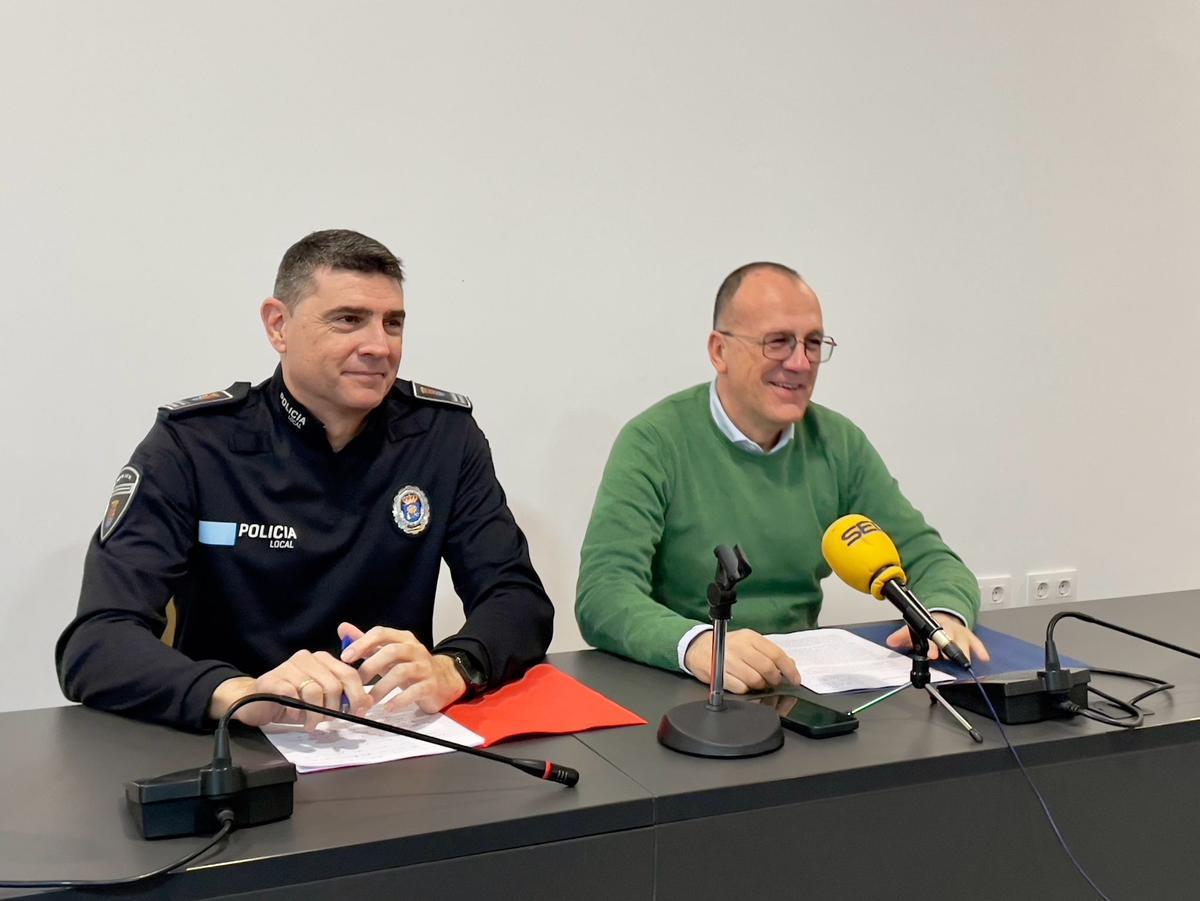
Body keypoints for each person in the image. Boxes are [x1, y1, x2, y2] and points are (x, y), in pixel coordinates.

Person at [57, 229, 553, 731]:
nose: (379, 346)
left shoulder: (442, 436)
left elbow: (517, 598)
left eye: (393, 323)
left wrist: (455, 666)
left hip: (391, 735)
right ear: (279, 326)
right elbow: (97, 642)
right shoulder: (192, 445)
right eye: (349, 320)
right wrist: (242, 693)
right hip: (238, 741)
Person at [575, 262, 988, 693]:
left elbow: (932, 560)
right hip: (687, 686)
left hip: (798, 688)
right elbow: (603, 593)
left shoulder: (837, 442)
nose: (800, 363)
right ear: (719, 351)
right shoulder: (655, 441)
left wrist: (943, 616)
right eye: (778, 342)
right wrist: (698, 644)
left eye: (813, 343)